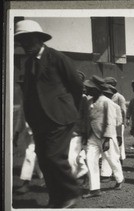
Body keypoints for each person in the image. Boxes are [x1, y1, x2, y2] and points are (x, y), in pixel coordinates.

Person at [14, 20, 82, 208]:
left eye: (27, 41)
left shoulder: (57, 58)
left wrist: (68, 110)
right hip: (39, 121)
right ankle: (57, 199)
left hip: (60, 117)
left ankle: (71, 193)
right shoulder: (28, 64)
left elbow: (76, 86)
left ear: (38, 39)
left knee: (53, 157)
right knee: (44, 160)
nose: (24, 46)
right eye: (21, 42)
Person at [83, 76, 124, 198]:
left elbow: (110, 121)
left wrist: (107, 139)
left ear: (96, 89)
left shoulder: (107, 102)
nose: (87, 90)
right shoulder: (89, 102)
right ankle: (94, 188)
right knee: (90, 160)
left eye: (89, 88)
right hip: (92, 136)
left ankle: (119, 178)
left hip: (105, 136)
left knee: (112, 159)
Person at [104, 77, 127, 163]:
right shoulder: (106, 96)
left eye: (109, 84)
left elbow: (123, 110)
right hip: (110, 122)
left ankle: (120, 158)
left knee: (119, 141)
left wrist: (123, 123)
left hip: (118, 122)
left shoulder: (119, 97)